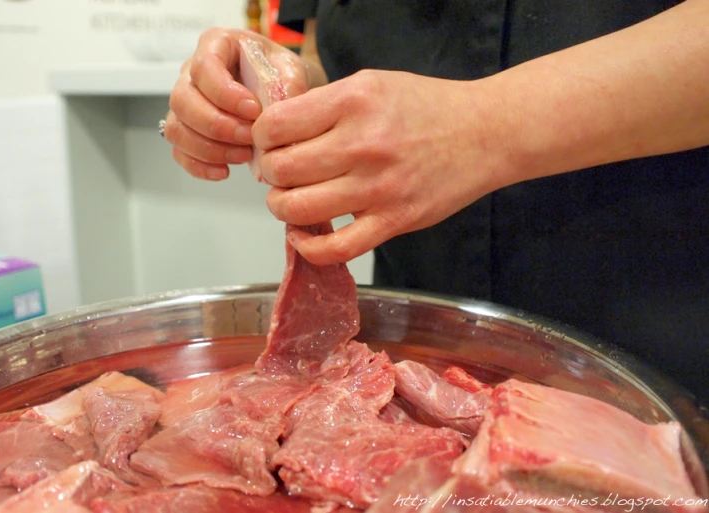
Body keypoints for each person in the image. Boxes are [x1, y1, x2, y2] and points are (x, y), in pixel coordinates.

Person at [161, 0, 709, 403]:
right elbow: (327, 54)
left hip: (665, 339)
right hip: (413, 357)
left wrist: (485, 127)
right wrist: (262, 92)